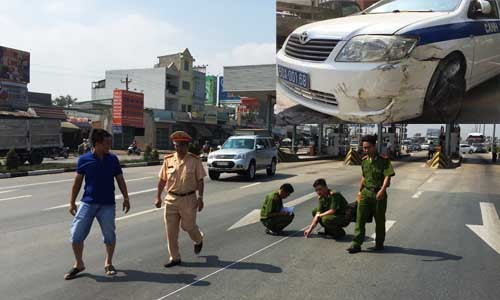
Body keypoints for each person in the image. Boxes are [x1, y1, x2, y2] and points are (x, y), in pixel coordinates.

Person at [64, 129, 130, 280]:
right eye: (107, 143)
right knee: (76, 235)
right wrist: (72, 202)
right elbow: (78, 182)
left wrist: (126, 197)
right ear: (97, 143)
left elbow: (120, 179)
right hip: (88, 203)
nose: (109, 146)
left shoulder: (113, 159)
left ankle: (109, 262)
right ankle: (79, 264)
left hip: (107, 204)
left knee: (109, 235)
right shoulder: (84, 159)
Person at [155, 131, 206, 267]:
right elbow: (162, 180)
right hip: (171, 199)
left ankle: (198, 239)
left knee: (188, 226)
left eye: (182, 145)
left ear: (187, 145)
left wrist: (200, 197)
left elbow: (200, 181)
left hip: (189, 199)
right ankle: (175, 257)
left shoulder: (194, 160)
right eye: (177, 145)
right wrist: (158, 197)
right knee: (171, 231)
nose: (179, 148)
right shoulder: (168, 160)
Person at [347, 134, 395, 254]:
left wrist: (382, 190)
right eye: (364, 147)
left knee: (379, 220)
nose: (365, 150)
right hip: (365, 193)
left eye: (367, 147)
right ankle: (356, 243)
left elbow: (388, 176)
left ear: (374, 146)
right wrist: (359, 191)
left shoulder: (384, 160)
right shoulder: (364, 161)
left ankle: (379, 243)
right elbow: (364, 176)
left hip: (379, 194)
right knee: (360, 219)